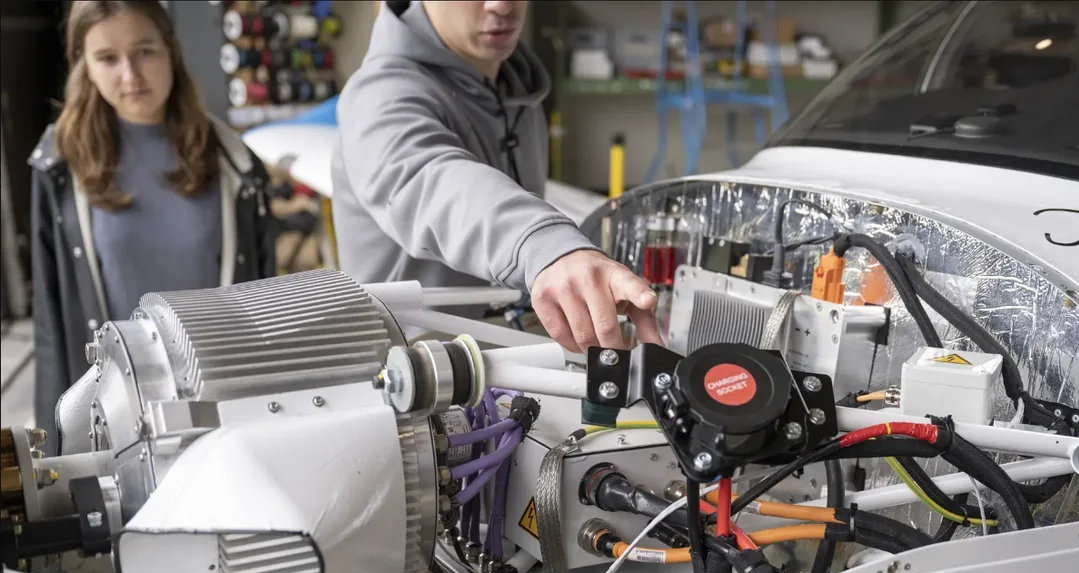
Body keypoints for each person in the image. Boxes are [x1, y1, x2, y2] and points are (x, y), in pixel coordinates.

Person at [333, 0, 661, 354]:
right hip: (410, 371)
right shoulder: (381, 95)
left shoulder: (514, 89)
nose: (502, 5)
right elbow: (432, 180)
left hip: (496, 353)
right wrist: (546, 247)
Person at [29, 0, 276, 453]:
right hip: (119, 424)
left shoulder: (237, 167)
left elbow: (263, 313)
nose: (130, 74)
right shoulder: (59, 170)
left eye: (145, 51)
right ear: (85, 65)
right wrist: (54, 456)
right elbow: (50, 327)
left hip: (223, 415)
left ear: (171, 52)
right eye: (107, 58)